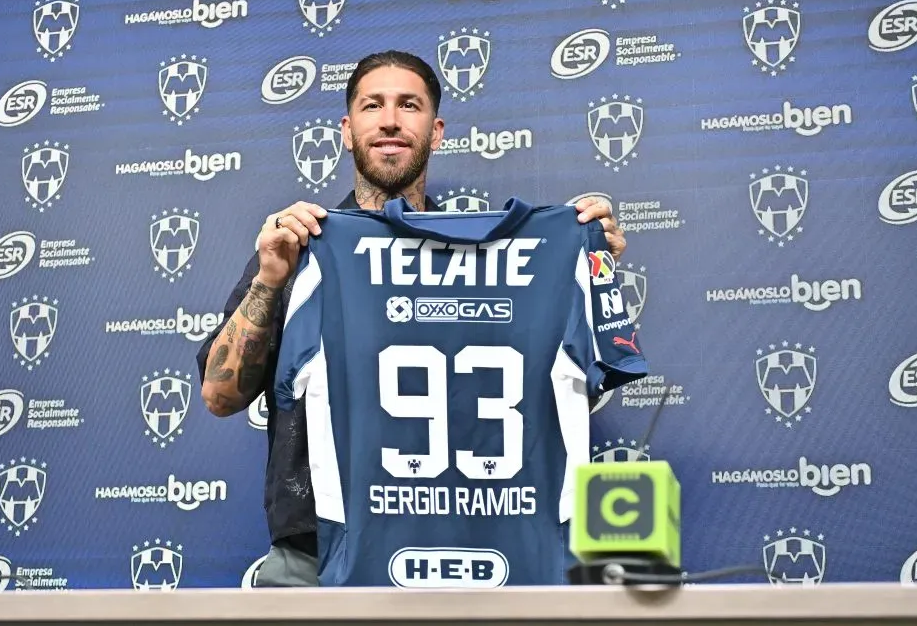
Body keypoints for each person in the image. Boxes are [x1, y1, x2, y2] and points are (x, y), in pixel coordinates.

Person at [196, 50, 628, 587]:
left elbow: (570, 386)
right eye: (372, 105)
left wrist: (584, 266)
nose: (391, 120)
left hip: (472, 544)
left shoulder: (498, 256)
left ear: (437, 129)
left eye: (409, 105)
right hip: (320, 551)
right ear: (347, 129)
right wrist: (270, 278)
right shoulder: (304, 245)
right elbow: (220, 396)